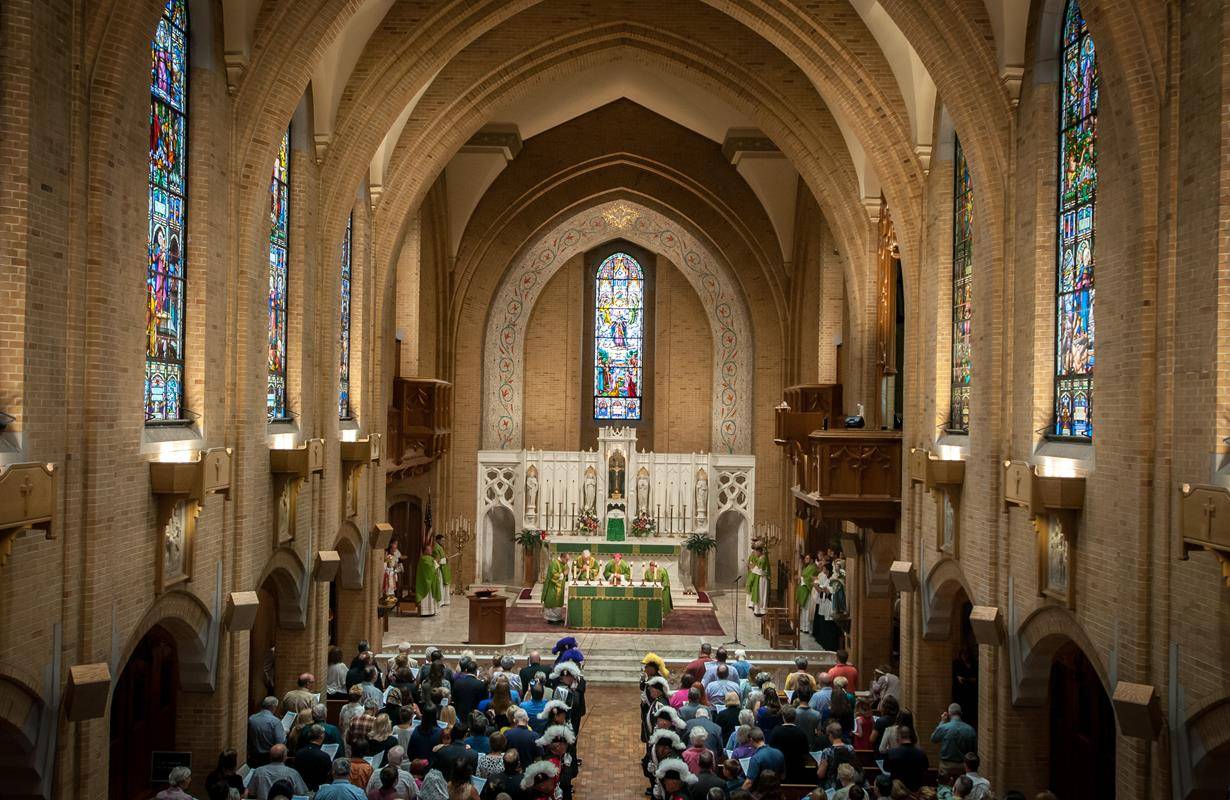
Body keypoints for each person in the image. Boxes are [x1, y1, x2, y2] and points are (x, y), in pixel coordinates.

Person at [931, 704, 978, 777]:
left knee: (945, 784)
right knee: (962, 784)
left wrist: (942, 721)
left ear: (949, 714)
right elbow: (973, 751)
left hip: (946, 766)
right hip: (963, 766)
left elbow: (934, 739)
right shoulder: (970, 729)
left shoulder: (944, 727)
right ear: (961, 714)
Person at [768, 706, 810, 784]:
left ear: (783, 717)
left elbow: (771, 750)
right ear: (795, 717)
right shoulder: (801, 732)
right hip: (797, 767)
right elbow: (806, 751)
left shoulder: (776, 731)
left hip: (780, 768)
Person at [883, 726, 929, 792]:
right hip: (916, 790)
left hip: (898, 790)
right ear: (910, 736)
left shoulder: (891, 753)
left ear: (899, 736)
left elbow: (886, 768)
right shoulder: (921, 753)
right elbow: (925, 768)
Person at [247, 697, 287, 768]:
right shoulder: (275, 721)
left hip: (254, 756)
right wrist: (285, 734)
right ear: (273, 707)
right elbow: (280, 742)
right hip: (269, 758)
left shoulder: (251, 718)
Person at [816, 722, 855, 790]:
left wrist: (819, 765)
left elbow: (820, 774)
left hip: (832, 786)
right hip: (847, 784)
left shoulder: (827, 752)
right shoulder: (850, 748)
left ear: (830, 735)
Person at [295, 724, 334, 791]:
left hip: (301, 789)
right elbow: (329, 777)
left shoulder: (298, 753)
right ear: (321, 736)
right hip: (318, 791)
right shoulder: (324, 756)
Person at [795, 554, 819, 634]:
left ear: (812, 559)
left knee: (807, 609)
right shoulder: (808, 567)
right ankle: (803, 626)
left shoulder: (813, 567)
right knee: (804, 609)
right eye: (805, 558)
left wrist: (800, 578)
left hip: (808, 590)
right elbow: (804, 575)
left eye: (807, 558)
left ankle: (807, 628)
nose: (805, 559)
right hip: (803, 589)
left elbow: (809, 578)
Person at [542, 551, 568, 623]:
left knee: (558, 602)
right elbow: (553, 575)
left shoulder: (563, 563)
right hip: (552, 586)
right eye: (566, 559)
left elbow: (566, 570)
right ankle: (551, 619)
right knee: (552, 601)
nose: (567, 561)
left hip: (559, 586)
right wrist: (563, 574)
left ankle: (557, 618)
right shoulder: (554, 563)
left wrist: (567, 572)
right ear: (562, 557)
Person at [415, 545, 441, 617]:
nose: (431, 551)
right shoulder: (424, 559)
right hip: (425, 582)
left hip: (432, 580)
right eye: (429, 549)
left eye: (431, 549)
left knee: (431, 596)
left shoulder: (430, 558)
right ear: (425, 551)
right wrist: (436, 563)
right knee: (427, 596)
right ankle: (425, 611)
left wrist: (436, 562)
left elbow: (434, 567)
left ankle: (432, 611)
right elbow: (429, 569)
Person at [745, 542, 769, 616]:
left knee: (761, 596)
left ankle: (761, 611)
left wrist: (752, 568)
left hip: (762, 580)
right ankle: (757, 611)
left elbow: (761, 570)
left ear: (759, 551)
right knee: (758, 595)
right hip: (758, 579)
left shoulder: (763, 559)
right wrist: (753, 568)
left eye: (756, 552)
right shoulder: (760, 558)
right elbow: (757, 567)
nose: (755, 553)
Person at [431, 534, 451, 606]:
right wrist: (445, 559)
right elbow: (437, 560)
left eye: (444, 541)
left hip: (443, 568)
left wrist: (445, 558)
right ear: (437, 540)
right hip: (439, 569)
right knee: (440, 585)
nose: (443, 542)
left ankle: (443, 601)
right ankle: (440, 601)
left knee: (442, 585)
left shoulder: (440, 547)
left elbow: (442, 557)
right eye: (442, 541)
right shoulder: (436, 547)